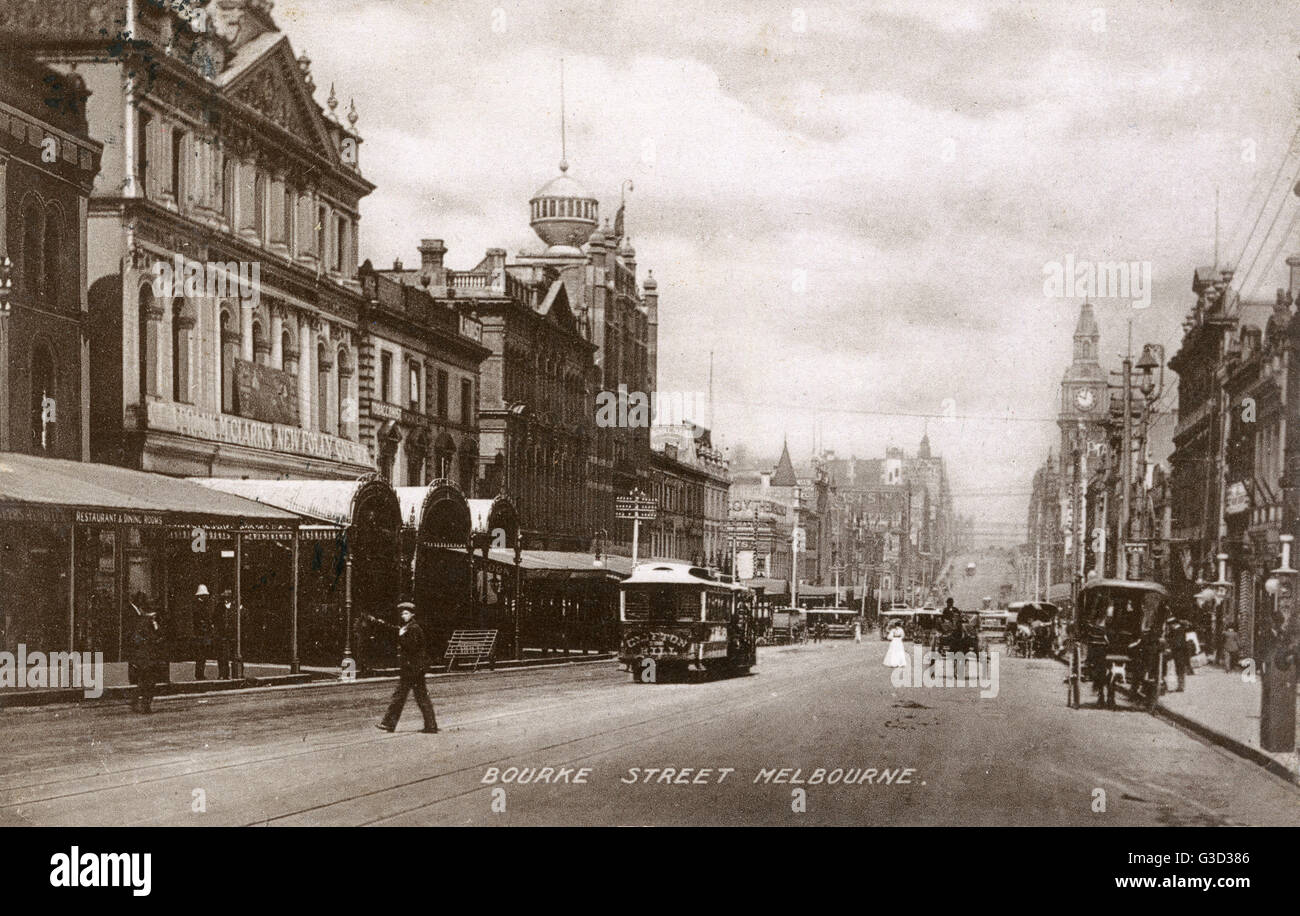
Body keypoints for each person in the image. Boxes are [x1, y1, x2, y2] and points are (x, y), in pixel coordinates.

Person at [370, 601, 438, 733]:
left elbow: (411, 647)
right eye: (402, 613)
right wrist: (380, 623)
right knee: (420, 697)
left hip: (411, 669)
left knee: (400, 696)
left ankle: (389, 723)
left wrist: (401, 637)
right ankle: (431, 725)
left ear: (412, 614)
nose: (403, 616)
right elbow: (395, 630)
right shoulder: (409, 627)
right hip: (414, 668)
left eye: (406, 613)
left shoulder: (413, 628)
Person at [128, 594, 165, 713]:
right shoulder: (144, 622)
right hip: (146, 656)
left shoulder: (151, 622)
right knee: (148, 681)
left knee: (146, 681)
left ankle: (139, 702)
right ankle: (143, 704)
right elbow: (141, 638)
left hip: (150, 656)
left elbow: (159, 634)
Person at [192, 584, 214, 680]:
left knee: (202, 655)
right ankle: (199, 674)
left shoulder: (201, 605)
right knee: (201, 655)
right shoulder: (198, 606)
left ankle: (200, 673)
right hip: (201, 634)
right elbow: (199, 620)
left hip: (202, 633)